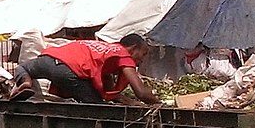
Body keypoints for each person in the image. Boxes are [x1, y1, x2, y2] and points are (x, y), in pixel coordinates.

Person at [15, 34, 162, 105]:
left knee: (23, 67)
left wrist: (129, 101)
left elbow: (109, 92)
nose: (141, 60)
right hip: (67, 70)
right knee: (97, 106)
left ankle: (26, 82)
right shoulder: (123, 55)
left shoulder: (106, 50)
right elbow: (141, 92)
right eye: (143, 54)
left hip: (47, 59)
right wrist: (158, 104)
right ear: (133, 48)